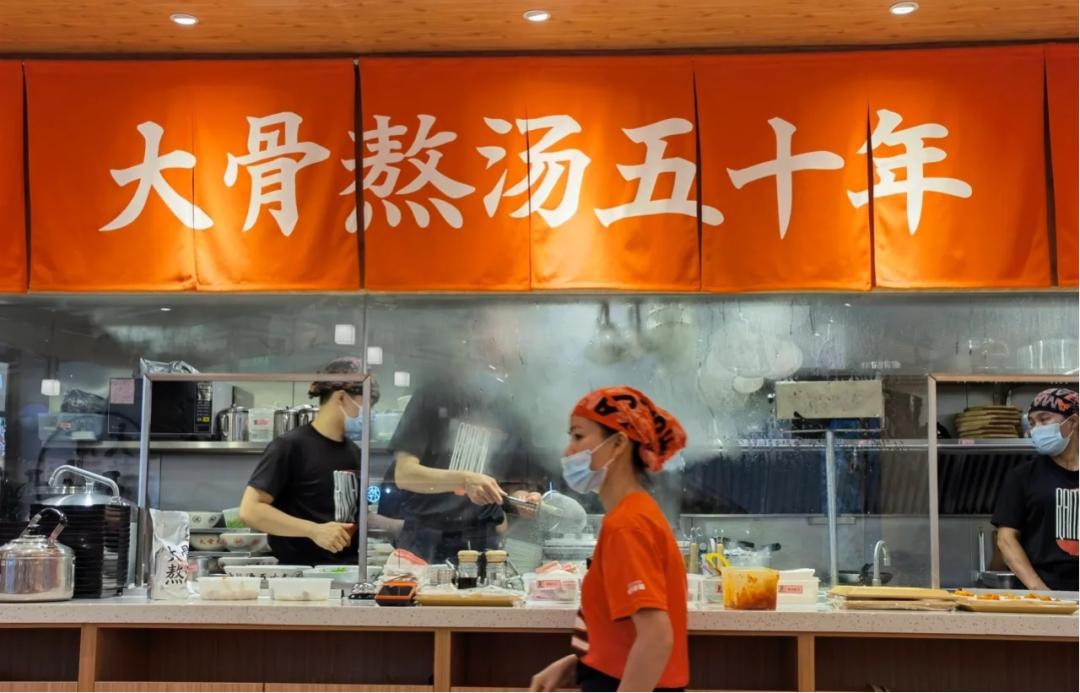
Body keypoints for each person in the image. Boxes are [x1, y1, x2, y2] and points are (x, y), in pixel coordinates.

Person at [531, 387, 689, 693]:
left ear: (618, 443)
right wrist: (579, 666)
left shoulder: (627, 525)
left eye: (578, 436)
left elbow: (656, 638)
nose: (568, 451)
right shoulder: (635, 514)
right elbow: (626, 633)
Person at [239, 357, 383, 566]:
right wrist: (313, 530)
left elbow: (352, 515)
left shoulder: (354, 452)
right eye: (366, 405)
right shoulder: (290, 446)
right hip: (301, 575)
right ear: (342, 398)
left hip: (348, 572)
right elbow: (250, 510)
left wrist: (398, 526)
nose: (368, 415)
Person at [389, 374, 542, 564]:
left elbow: (509, 484)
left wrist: (522, 499)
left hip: (483, 537)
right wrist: (465, 480)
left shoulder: (508, 409)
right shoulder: (432, 395)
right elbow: (404, 474)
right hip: (426, 536)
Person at [992, 387, 1079, 591]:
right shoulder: (1022, 476)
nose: (1035, 429)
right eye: (1032, 423)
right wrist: (1041, 593)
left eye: (1044, 419)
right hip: (1041, 591)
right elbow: (1006, 539)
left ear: (1074, 422)